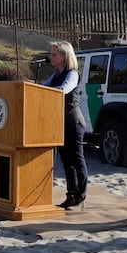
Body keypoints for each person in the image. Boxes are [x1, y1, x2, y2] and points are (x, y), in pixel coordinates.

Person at [42, 41, 88, 209]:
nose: (51, 57)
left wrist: (46, 91)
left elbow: (63, 90)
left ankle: (81, 195)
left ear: (64, 57)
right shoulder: (56, 73)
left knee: (77, 158)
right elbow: (43, 88)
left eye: (54, 54)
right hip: (59, 122)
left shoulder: (72, 74)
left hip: (73, 122)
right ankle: (71, 194)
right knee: (66, 160)